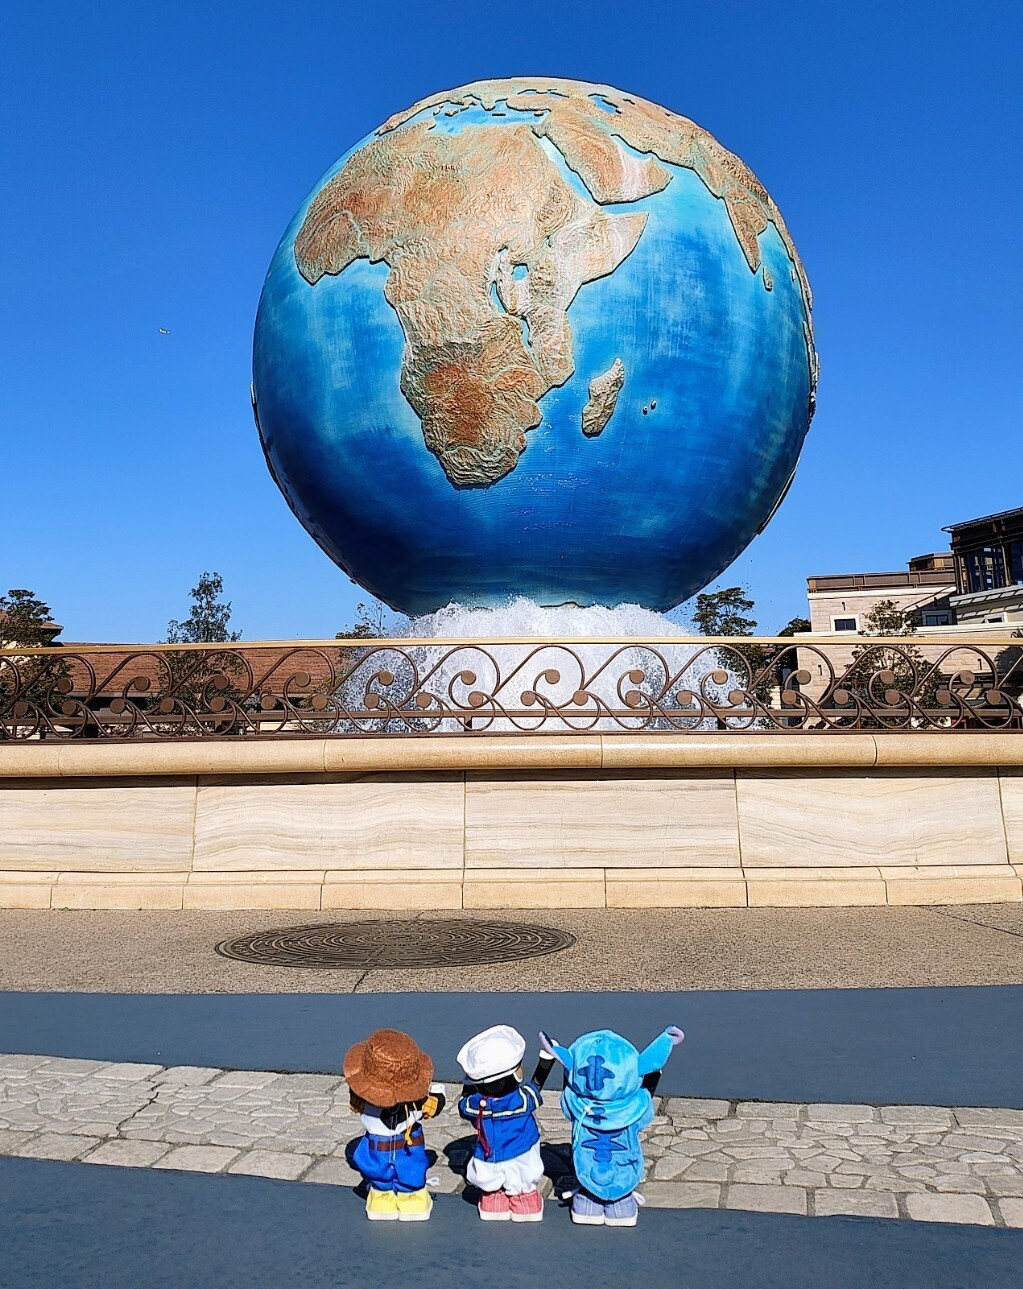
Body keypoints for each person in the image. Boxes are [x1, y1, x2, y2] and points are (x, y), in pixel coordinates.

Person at [541, 1025, 685, 1227]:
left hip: (588, 1170)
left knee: (588, 1173)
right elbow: (645, 1114)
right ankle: (621, 1204)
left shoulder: (576, 1105)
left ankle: (589, 1203)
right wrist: (646, 1087)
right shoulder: (636, 1107)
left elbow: (567, 1102)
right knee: (623, 1173)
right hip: (623, 1171)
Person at [343, 1027, 446, 1221]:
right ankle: (409, 1198)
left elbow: (355, 1095)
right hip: (406, 1144)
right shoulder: (417, 1102)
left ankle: (385, 1196)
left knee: (385, 1167)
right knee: (408, 1168)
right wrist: (436, 1100)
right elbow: (435, 1101)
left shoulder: (365, 1100)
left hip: (384, 1144)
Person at [457, 1024, 555, 1222]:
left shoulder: (475, 1104)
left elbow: (463, 1104)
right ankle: (526, 1201)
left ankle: (493, 1199)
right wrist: (546, 1064)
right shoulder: (521, 1100)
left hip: (489, 1153)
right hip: (522, 1149)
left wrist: (471, 1082)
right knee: (524, 1169)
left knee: (489, 1174)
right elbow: (536, 1086)